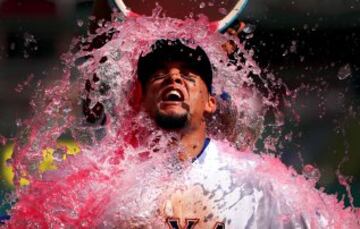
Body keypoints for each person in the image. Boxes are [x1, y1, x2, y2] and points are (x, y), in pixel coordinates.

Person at [132, 39, 358, 228]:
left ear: (210, 103)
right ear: (142, 103)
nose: (173, 78)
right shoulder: (120, 181)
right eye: (158, 76)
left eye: (188, 76)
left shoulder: (255, 179)